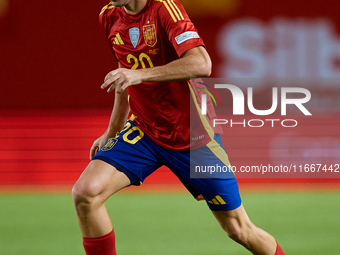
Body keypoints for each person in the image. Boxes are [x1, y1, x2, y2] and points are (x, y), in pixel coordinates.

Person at [72, 0, 285, 254]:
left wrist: (141, 74)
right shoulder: (109, 16)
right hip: (145, 129)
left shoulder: (165, 9)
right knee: (86, 194)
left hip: (193, 136)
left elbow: (202, 64)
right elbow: (124, 73)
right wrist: (113, 130)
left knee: (239, 230)